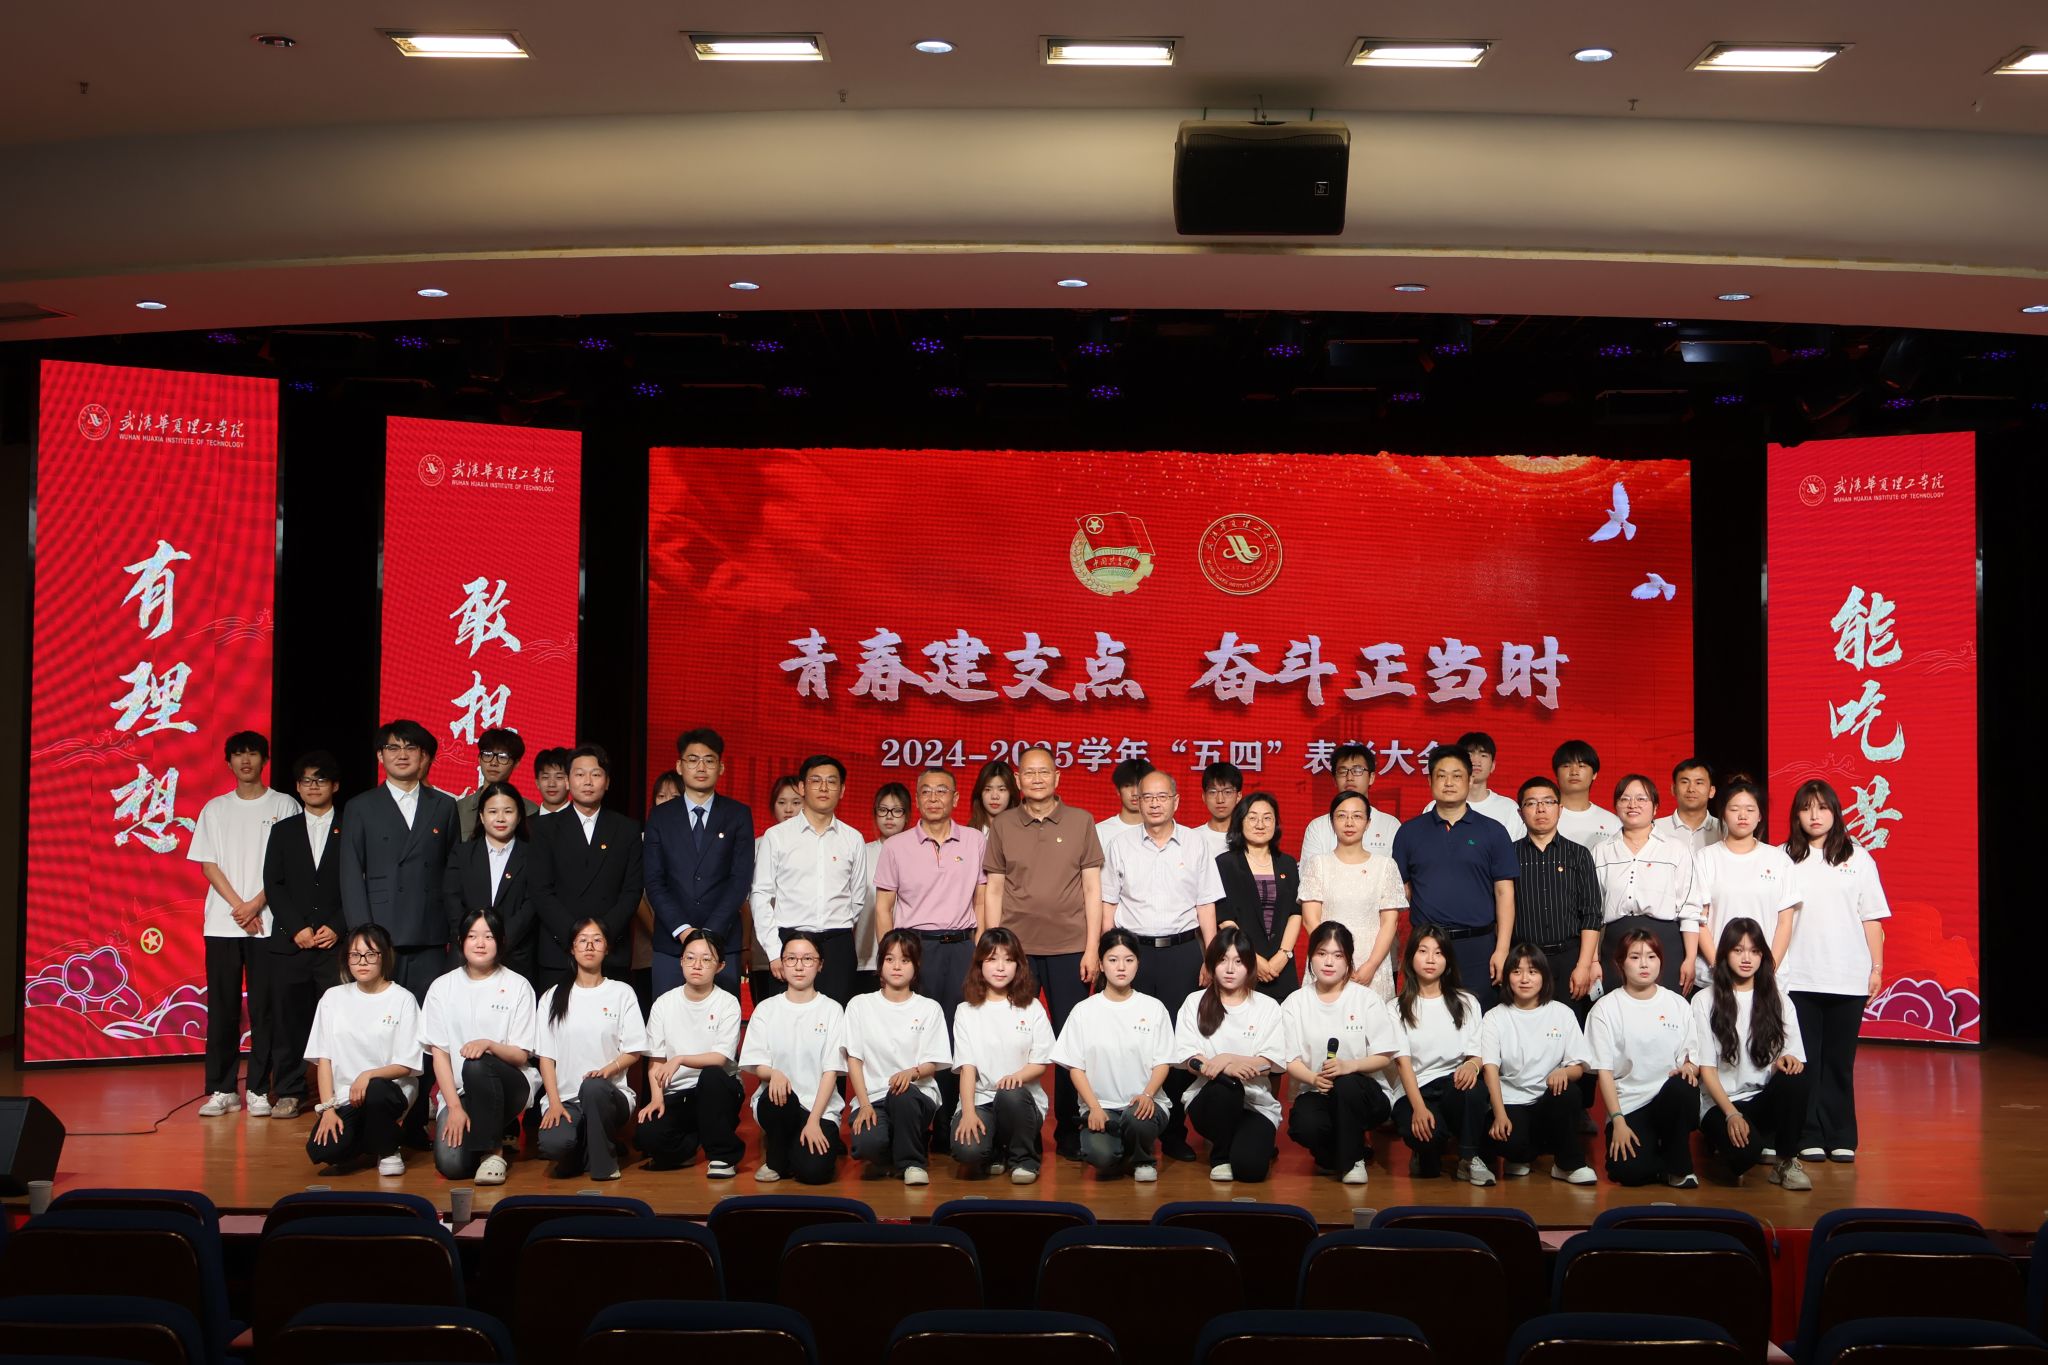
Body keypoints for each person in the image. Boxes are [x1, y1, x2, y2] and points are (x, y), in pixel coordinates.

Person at [982, 745, 1105, 1162]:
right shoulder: (1003, 824)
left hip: (1071, 949)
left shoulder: (1081, 821)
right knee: (1014, 1039)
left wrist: (1092, 948)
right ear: (1018, 780)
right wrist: (994, 948)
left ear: (1057, 777)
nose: (1036, 779)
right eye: (1028, 773)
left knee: (1070, 1042)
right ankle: (1020, 1130)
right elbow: (994, 889)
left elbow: (1092, 888)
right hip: (1017, 953)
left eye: (1044, 772)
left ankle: (1069, 1129)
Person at [1100, 768, 1222, 1161]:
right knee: (1132, 1039)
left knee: (1177, 1043)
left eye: (1161, 797)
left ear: (1175, 801)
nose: (1154, 804)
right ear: (1137, 801)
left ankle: (1173, 1134)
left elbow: (1206, 905)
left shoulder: (1196, 844)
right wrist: (1109, 956)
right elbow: (1108, 905)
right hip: (1134, 953)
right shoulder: (1120, 844)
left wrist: (1210, 957)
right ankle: (1131, 1127)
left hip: (1183, 952)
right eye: (1146, 797)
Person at [873, 767, 986, 1151]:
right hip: (915, 949)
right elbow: (884, 907)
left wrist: (980, 950)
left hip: (962, 947)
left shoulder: (974, 840)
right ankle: (912, 1121)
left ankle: (952, 1121)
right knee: (915, 1034)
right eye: (926, 792)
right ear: (917, 799)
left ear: (956, 798)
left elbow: (981, 900)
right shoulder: (896, 846)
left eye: (942, 791)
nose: (934, 798)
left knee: (958, 1035)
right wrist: (890, 957)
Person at [191, 730, 302, 1118]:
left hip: (268, 923)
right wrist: (240, 907)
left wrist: (256, 905)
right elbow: (208, 865)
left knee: (264, 1009)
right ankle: (222, 1089)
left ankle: (257, 1087)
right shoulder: (215, 809)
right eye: (238, 754)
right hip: (223, 924)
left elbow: (290, 865)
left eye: (253, 754)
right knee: (221, 1009)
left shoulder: (285, 804)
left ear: (264, 760)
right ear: (228, 762)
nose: (245, 761)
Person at [1778, 779, 1888, 1165]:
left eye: (1822, 807)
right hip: (1798, 976)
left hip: (1847, 976)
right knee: (1805, 1061)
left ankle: (1841, 1135)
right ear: (1796, 815)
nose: (1815, 815)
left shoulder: (1858, 858)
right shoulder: (1782, 858)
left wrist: (1876, 968)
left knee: (1839, 1062)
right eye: (1806, 808)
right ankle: (1808, 1133)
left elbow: (1872, 918)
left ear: (1835, 813)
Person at [337, 720, 461, 1003]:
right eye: (393, 748)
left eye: (410, 747)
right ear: (380, 756)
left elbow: (453, 871)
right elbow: (351, 872)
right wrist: (362, 933)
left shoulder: (444, 805)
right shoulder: (360, 806)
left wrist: (455, 929)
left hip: (430, 929)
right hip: (380, 930)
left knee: (428, 1011)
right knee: (379, 1011)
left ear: (423, 755)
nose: (402, 755)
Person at [1393, 747, 1518, 1010]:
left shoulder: (1493, 831)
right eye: (1441, 776)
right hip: (1427, 946)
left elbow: (1504, 893)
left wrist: (1502, 949)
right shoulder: (1409, 833)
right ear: (1430, 780)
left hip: (1479, 946)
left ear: (1471, 779)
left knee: (1479, 1019)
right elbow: (1402, 892)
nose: (1449, 783)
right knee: (1425, 1017)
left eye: (1457, 776)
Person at [1693, 918, 1812, 1190]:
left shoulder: (1779, 1000)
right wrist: (1731, 1114)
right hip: (1720, 1103)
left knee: (1797, 1078)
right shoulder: (1704, 1000)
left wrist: (1785, 1062)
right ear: (1725, 954)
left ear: (1763, 956)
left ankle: (1786, 1161)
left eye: (1754, 951)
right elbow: (1707, 1070)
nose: (1747, 958)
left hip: (1760, 1099)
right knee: (1745, 1156)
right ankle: (1716, 1139)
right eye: (1738, 950)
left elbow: (1792, 1057)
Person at [260, 751, 347, 1121]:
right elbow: (274, 883)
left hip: (335, 944)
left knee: (341, 1021)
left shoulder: (351, 826)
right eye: (307, 780)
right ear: (297, 787)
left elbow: (359, 881)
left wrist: (338, 925)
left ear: (335, 786)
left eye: (321, 780)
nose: (314, 786)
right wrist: (296, 927)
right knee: (289, 1021)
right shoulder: (283, 831)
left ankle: (344, 1090)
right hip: (291, 943)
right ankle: (290, 1091)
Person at [422, 909, 538, 1184]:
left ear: (501, 941)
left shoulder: (518, 985)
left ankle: (493, 1153)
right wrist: (454, 1107)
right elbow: (440, 1055)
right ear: (461, 941)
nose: (480, 943)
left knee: (476, 1064)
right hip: (462, 1092)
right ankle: (485, 1133)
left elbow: (520, 1054)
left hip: (510, 1085)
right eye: (473, 936)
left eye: (489, 936)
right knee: (452, 1166)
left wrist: (489, 1045)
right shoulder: (441, 988)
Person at [1052, 929, 1176, 1181]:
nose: (1121, 967)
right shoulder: (1083, 1011)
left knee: (1138, 1118)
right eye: (1113, 960)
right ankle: (1120, 1149)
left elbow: (1163, 1061)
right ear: (1101, 964)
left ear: (1138, 964)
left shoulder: (1153, 1008)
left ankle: (1142, 1158)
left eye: (1129, 960)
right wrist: (1094, 1108)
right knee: (1100, 1157)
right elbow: (1075, 1067)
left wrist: (1148, 1095)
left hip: (1143, 1103)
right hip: (1101, 1108)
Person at [1282, 922, 1398, 1185]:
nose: (1329, 962)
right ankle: (1334, 1152)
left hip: (1364, 1093)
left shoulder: (1366, 999)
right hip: (1318, 1090)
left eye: (1338, 955)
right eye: (1322, 953)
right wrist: (1314, 1079)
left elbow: (1385, 1055)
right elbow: (1290, 1059)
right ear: (1310, 956)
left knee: (1346, 1085)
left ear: (1348, 961)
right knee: (1305, 1126)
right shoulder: (1295, 1003)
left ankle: (1353, 1159)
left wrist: (1349, 1066)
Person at [643, 727, 756, 997]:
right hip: (672, 942)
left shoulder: (738, 814)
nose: (701, 767)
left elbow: (739, 881)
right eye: (693, 760)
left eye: (709, 760)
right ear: (679, 766)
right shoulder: (660, 817)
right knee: (668, 1019)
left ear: (721, 767)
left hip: (722, 943)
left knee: (721, 1019)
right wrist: (684, 931)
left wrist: (710, 933)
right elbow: (654, 881)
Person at [304, 924, 422, 1176]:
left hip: (389, 1090)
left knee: (376, 1090)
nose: (362, 962)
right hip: (346, 1096)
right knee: (322, 1150)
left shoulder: (403, 999)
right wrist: (328, 1109)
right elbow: (324, 1059)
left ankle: (388, 1150)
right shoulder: (332, 998)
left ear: (384, 956)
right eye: (355, 955)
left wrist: (367, 1075)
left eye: (370, 954)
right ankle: (371, 1140)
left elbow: (407, 1064)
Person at [534, 918, 646, 1181]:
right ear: (572, 949)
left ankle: (604, 1167)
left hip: (609, 1096)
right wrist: (554, 1103)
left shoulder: (621, 993)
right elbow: (546, 1057)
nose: (589, 946)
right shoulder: (552, 997)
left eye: (597, 940)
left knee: (593, 1087)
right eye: (582, 941)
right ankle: (586, 1146)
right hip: (566, 1100)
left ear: (607, 948)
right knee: (553, 1144)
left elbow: (634, 1050)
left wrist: (606, 1070)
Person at [752, 755, 869, 1005]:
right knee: (786, 1020)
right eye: (816, 781)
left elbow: (857, 899)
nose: (824, 788)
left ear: (842, 790)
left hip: (837, 946)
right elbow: (760, 895)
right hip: (790, 944)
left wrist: (837, 927)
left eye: (831, 782)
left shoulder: (853, 839)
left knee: (837, 1019)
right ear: (802, 787)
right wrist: (774, 951)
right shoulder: (777, 836)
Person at [1476, 944, 1595, 1186]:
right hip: (1512, 1101)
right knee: (1509, 1141)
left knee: (1570, 1093)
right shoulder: (1495, 1017)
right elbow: (1490, 1070)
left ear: (1544, 976)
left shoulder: (1562, 1013)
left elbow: (1579, 1065)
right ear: (1507, 977)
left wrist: (1564, 1072)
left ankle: (1567, 1164)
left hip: (1547, 1100)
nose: (1524, 979)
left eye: (1532, 972)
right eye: (1516, 972)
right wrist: (1499, 1114)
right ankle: (1521, 1156)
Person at [1588, 929, 1700, 1187]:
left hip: (1669, 1100)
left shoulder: (1677, 1004)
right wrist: (1617, 1120)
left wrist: (1689, 1069)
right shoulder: (1605, 1008)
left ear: (1660, 961)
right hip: (1630, 1105)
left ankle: (1679, 1167)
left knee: (1683, 1087)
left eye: (1651, 956)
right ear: (1620, 963)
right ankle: (1659, 1159)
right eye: (1635, 957)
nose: (1644, 964)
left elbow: (1692, 1060)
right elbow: (1604, 1072)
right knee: (1627, 1172)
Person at [1175, 927, 1287, 1182]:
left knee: (1251, 1170)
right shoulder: (1195, 1002)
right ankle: (1221, 1157)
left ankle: (1249, 1144)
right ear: (1212, 963)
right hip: (1210, 1100)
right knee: (1228, 1087)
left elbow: (1271, 1062)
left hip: (1255, 1103)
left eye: (1238, 961)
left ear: (1249, 966)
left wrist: (1227, 1058)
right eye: (1222, 960)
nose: (1229, 969)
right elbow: (1189, 1059)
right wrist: (1225, 1068)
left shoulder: (1267, 1007)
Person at [739, 931, 848, 1184]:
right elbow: (757, 1063)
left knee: (814, 1172)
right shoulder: (766, 1009)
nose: (799, 966)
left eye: (808, 959)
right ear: (782, 963)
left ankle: (791, 1149)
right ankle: (776, 1159)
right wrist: (774, 1073)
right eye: (791, 958)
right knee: (780, 1096)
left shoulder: (832, 1010)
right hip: (777, 1104)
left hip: (818, 1108)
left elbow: (831, 1071)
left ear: (820, 965)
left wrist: (814, 1121)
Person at [635, 928, 745, 1178]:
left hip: (719, 1090)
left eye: (706, 959)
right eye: (690, 958)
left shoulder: (727, 1003)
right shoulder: (664, 1003)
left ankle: (722, 1156)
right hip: (679, 1092)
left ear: (720, 966)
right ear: (681, 961)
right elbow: (656, 1061)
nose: (697, 965)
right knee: (647, 1136)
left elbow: (720, 1058)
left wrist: (681, 1059)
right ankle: (691, 1145)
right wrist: (656, 1098)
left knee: (711, 1076)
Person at [845, 930, 952, 1185]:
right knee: (867, 1145)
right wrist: (865, 1104)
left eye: (905, 960)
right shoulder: (859, 1005)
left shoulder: (929, 1008)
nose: (896, 967)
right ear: (880, 963)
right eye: (890, 959)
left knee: (902, 1095)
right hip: (874, 1098)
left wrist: (912, 1073)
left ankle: (913, 1163)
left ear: (916, 966)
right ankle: (895, 1147)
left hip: (915, 1097)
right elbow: (854, 1060)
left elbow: (934, 1062)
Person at [530, 744, 645, 981]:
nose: (588, 781)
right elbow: (540, 890)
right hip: (559, 948)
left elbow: (632, 891)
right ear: (568, 781)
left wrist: (601, 935)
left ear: (607, 781)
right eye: (580, 774)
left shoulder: (627, 829)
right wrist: (575, 936)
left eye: (596, 774)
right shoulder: (544, 828)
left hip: (610, 949)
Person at [951, 927, 1055, 1182]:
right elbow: (967, 1068)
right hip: (982, 1098)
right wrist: (968, 1112)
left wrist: (1017, 1077)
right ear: (980, 964)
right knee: (968, 1151)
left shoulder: (1032, 1007)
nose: (1000, 967)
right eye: (992, 959)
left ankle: (1024, 1159)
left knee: (1010, 1094)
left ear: (1018, 966)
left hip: (1020, 1101)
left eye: (1008, 960)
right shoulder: (965, 1011)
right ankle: (996, 1150)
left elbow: (1040, 1062)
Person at [1386, 925, 1486, 1180]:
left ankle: (1468, 1158)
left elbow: (1477, 1053)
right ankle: (1424, 1153)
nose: (1430, 959)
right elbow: (1403, 1064)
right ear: (1410, 957)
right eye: (1423, 951)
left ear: (1447, 960)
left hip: (1453, 1085)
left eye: (1438, 953)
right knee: (1428, 1147)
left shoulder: (1467, 1002)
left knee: (1474, 1090)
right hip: (1415, 1089)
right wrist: (1419, 1108)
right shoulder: (1396, 1008)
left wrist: (1472, 1066)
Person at [1592, 774, 1698, 994]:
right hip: (1616, 942)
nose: (1632, 805)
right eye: (1625, 799)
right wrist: (1593, 960)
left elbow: (1689, 908)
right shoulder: (1601, 851)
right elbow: (1592, 913)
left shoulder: (1675, 849)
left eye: (1641, 799)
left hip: (1665, 942)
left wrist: (1690, 959)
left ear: (1656, 807)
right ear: (1616, 806)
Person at [1300, 791, 1405, 1001]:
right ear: (1332, 822)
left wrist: (1371, 965)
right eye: (1341, 816)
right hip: (1327, 963)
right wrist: (1334, 960)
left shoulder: (1385, 866)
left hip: (1371, 965)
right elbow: (1311, 920)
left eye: (1357, 816)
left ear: (1368, 823)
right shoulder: (1318, 864)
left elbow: (1389, 923)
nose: (1349, 823)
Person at [1690, 779, 1800, 979]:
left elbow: (1785, 922)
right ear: (1723, 814)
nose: (1742, 815)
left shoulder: (1779, 860)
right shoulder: (1705, 858)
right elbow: (1699, 920)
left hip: (1767, 978)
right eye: (1734, 809)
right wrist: (1719, 967)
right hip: (1715, 976)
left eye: (1750, 809)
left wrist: (1769, 969)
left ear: (1760, 815)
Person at [442, 780, 540, 985]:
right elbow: (452, 900)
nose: (500, 818)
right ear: (481, 816)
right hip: (466, 955)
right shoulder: (462, 854)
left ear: (519, 816)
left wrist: (500, 940)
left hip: (515, 955)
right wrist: (472, 939)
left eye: (508, 811)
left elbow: (532, 904)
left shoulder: (533, 856)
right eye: (493, 811)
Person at [1215, 792, 1302, 1003]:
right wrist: (1251, 957)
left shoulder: (1288, 863)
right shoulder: (1225, 864)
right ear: (1240, 822)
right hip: (1240, 964)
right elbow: (1224, 918)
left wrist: (1284, 954)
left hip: (1281, 966)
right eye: (1252, 818)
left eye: (1267, 818)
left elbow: (1295, 913)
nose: (1260, 824)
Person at [629, 772, 685, 1017]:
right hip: (648, 946)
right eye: (661, 796)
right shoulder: (641, 841)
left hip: (690, 945)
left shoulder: (697, 840)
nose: (667, 802)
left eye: (675, 796)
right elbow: (636, 894)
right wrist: (660, 930)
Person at [746, 775, 804, 1006]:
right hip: (764, 951)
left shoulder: (814, 845)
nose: (789, 809)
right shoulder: (758, 845)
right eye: (782, 802)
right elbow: (749, 900)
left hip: (803, 948)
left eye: (796, 802)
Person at [1300, 743, 1400, 865]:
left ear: (1371, 777)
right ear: (1334, 779)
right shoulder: (1317, 827)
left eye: (1357, 770)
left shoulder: (1390, 825)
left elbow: (1396, 873)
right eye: (1342, 771)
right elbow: (1308, 873)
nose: (1349, 777)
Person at [858, 784, 910, 996]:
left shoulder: (917, 854)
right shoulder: (861, 852)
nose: (889, 816)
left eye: (897, 810)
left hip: (906, 957)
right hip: (865, 958)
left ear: (907, 815)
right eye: (883, 810)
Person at [1424, 732, 1526, 840]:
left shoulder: (1509, 808)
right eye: (1469, 754)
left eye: (1483, 755)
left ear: (1493, 765)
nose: (1476, 761)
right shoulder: (1435, 806)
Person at [455, 728, 538, 841]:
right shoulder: (459, 809)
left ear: (516, 763)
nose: (493, 763)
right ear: (479, 759)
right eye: (487, 755)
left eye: (503, 757)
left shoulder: (531, 811)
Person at [1552, 740, 1620, 848]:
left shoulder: (1612, 823)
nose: (1574, 772)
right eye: (1566, 766)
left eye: (1582, 766)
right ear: (1556, 773)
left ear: (1594, 774)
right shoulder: (1541, 817)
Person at [1095, 756, 1154, 859]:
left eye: (1140, 786)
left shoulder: (1160, 830)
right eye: (1127, 786)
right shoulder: (1100, 831)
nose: (1135, 793)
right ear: (1118, 790)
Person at [1660, 758, 1724, 850]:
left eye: (1699, 783)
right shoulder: (1656, 829)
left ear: (1711, 791)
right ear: (1673, 789)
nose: (1691, 789)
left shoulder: (1724, 830)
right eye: (1684, 782)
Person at [1199, 760, 1243, 859]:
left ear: (1238, 796)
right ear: (1204, 797)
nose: (1220, 800)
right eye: (1213, 792)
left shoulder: (1249, 836)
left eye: (1227, 792)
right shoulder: (1192, 837)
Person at [968, 759, 1018, 833]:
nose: (994, 796)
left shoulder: (1022, 832)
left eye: (1001, 789)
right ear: (980, 793)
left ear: (1011, 792)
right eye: (988, 789)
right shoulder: (968, 834)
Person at [532, 748, 572, 815]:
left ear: (570, 781)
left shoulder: (583, 819)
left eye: (559, 777)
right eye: (545, 777)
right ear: (537, 783)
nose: (551, 784)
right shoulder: (526, 821)